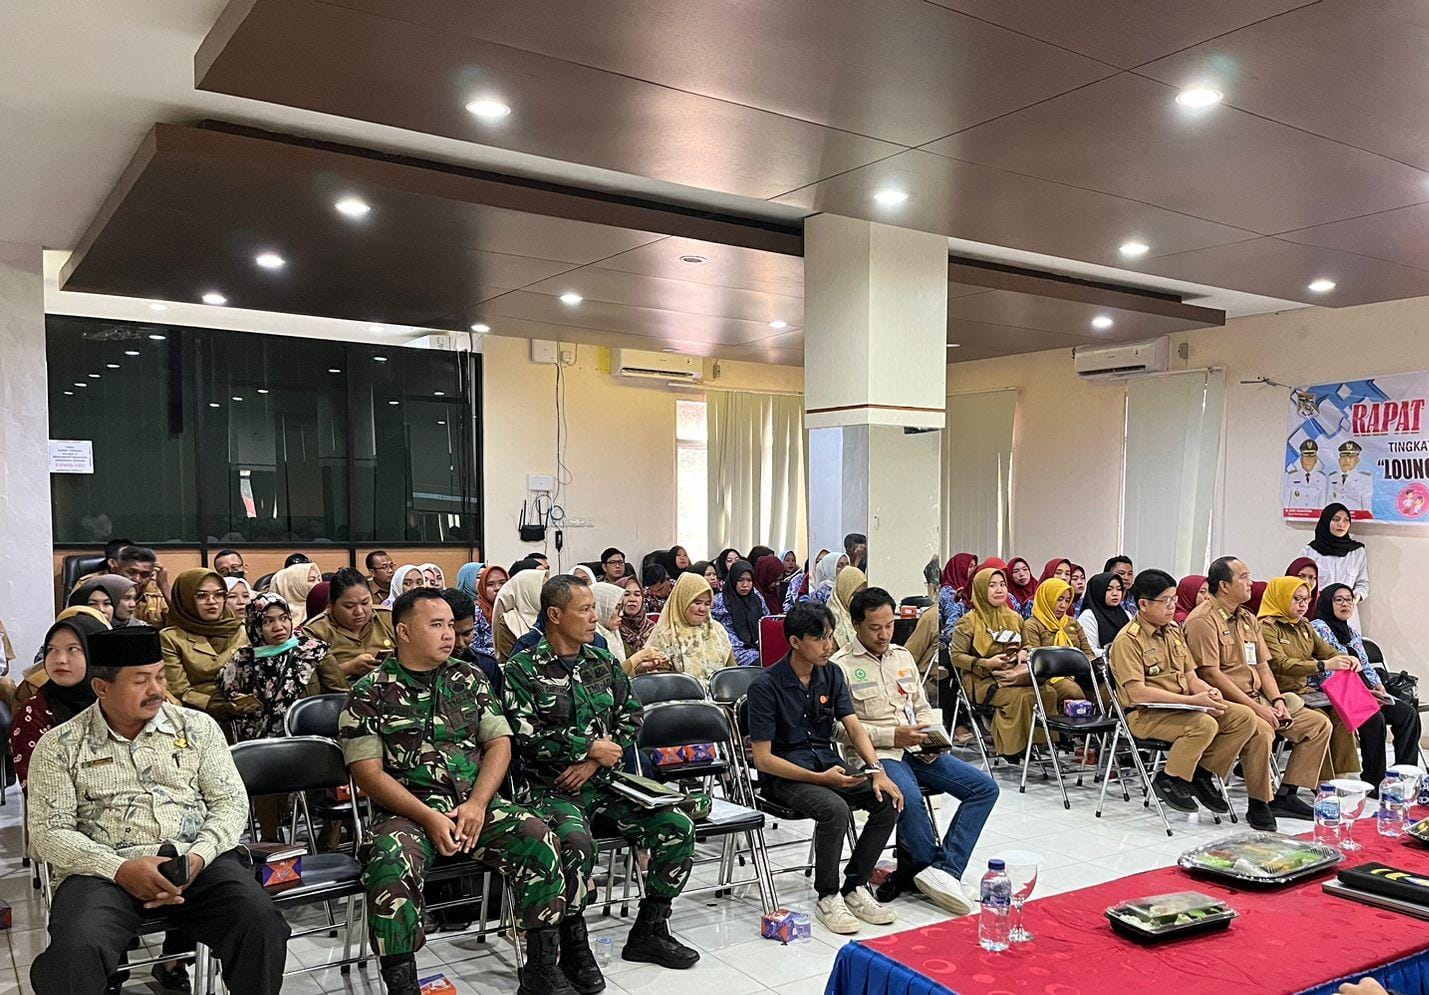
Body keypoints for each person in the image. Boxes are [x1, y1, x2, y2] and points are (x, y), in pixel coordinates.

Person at [339, 589, 578, 995]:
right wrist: (429, 818)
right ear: (403, 632)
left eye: (451, 625)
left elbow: (499, 744)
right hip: (408, 813)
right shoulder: (369, 692)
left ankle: (541, 970)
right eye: (437, 625)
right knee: (389, 862)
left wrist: (478, 803)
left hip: (473, 806)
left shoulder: (469, 677)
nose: (449, 634)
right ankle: (403, 984)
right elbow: (368, 773)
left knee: (538, 836)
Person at [27, 627, 290, 995]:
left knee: (261, 924)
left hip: (195, 859)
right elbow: (49, 831)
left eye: (160, 676)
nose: (156, 690)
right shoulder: (61, 745)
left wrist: (199, 855)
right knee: (74, 952)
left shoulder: (197, 728)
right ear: (102, 687)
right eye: (141, 680)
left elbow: (230, 802)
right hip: (102, 871)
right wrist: (120, 869)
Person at [504, 576, 701, 974]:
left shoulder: (603, 662)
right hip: (549, 788)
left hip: (605, 782)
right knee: (575, 842)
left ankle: (651, 929)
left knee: (677, 825)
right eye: (584, 609)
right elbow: (523, 736)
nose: (595, 617)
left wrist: (593, 761)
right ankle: (574, 945)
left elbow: (631, 718)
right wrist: (589, 747)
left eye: (594, 607)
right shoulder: (522, 669)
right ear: (555, 615)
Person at [833, 588, 997, 916]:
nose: (884, 635)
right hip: (876, 754)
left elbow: (920, 706)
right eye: (875, 628)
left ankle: (945, 870)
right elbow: (837, 728)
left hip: (917, 748)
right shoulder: (840, 666)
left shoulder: (902, 656)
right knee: (905, 795)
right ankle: (932, 869)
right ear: (856, 625)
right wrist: (892, 735)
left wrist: (929, 737)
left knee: (984, 788)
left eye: (889, 626)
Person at [747, 603, 902, 934]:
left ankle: (855, 886)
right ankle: (828, 896)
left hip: (828, 765)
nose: (828, 646)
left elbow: (853, 726)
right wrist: (818, 778)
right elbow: (763, 759)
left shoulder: (831, 674)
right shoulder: (765, 686)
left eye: (830, 636)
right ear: (795, 641)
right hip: (785, 775)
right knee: (835, 809)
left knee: (887, 799)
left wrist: (877, 770)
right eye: (819, 639)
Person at [1108, 569, 1275, 829]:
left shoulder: (1174, 631)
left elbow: (1190, 675)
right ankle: (1170, 778)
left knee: (1243, 717)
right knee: (1204, 724)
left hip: (1184, 707)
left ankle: (1202, 773)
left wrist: (1207, 692)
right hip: (1146, 714)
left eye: (1174, 599)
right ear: (1143, 604)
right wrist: (1195, 701)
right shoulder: (1128, 640)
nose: (1172, 606)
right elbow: (1137, 693)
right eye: (1165, 601)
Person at [1184, 557, 1332, 821]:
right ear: (1224, 585)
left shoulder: (1247, 618)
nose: (1250, 582)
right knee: (1262, 729)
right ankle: (1259, 802)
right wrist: (1257, 709)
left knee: (1318, 724)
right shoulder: (1202, 620)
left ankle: (1287, 794)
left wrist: (1277, 701)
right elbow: (1210, 674)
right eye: (1243, 577)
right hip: (1224, 702)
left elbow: (1263, 667)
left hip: (1258, 697)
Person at [1254, 576, 1372, 783]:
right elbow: (1280, 664)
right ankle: (1322, 782)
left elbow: (1326, 651)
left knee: (1341, 714)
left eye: (1306, 599)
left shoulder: (1304, 626)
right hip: (1280, 694)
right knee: (1320, 719)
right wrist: (1322, 665)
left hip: (1306, 692)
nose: (1302, 605)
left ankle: (1341, 778)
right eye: (1296, 599)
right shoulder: (1266, 628)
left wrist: (1346, 658)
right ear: (1281, 597)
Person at [1312, 582, 1422, 786]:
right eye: (1339, 600)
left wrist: (1378, 686)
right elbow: (1326, 673)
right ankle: (1374, 780)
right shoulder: (1318, 628)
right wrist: (1362, 693)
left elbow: (1365, 665)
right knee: (1374, 718)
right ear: (1327, 602)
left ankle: (1405, 777)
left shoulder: (1352, 632)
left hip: (1364, 691)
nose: (1345, 604)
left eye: (1349, 599)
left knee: (1407, 714)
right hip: (1337, 693)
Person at [949, 567, 1056, 759]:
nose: (999, 590)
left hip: (1014, 675)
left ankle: (1036, 744)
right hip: (983, 680)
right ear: (980, 589)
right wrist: (985, 663)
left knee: (1047, 692)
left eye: (1002, 584)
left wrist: (1023, 652)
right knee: (1019, 697)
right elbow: (956, 656)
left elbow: (1028, 644)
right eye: (992, 586)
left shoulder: (1014, 617)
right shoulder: (969, 622)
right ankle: (1012, 749)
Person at [220, 592, 340, 740]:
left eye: (283, 618)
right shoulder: (242, 659)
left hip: (308, 737)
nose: (278, 627)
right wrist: (235, 707)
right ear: (255, 626)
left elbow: (340, 699)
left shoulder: (314, 652)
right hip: (255, 743)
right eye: (267, 621)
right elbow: (223, 703)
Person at [9, 613, 109, 788]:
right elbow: (41, 790)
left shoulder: (117, 704)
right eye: (51, 650)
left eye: (73, 649)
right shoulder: (34, 714)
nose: (60, 660)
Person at [160, 568, 250, 719]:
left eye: (219, 595)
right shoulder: (171, 637)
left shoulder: (241, 629)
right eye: (202, 596)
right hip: (196, 713)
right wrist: (216, 706)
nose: (212, 602)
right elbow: (180, 691)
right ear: (186, 599)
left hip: (243, 708)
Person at [301, 567, 396, 684]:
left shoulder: (387, 618)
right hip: (340, 693)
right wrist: (348, 668)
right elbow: (307, 682)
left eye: (365, 603)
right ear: (331, 604)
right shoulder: (314, 631)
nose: (359, 612)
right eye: (349, 606)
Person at [646, 572, 736, 680]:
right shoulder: (664, 635)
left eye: (707, 604)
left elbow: (732, 673)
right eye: (697, 603)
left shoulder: (717, 630)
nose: (702, 609)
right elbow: (661, 681)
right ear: (683, 601)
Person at [1020, 578, 1094, 707]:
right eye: (1059, 599)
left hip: (1079, 675)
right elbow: (1035, 661)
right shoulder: (1032, 625)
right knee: (1072, 691)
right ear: (1047, 598)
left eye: (1067, 600)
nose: (1063, 606)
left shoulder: (1072, 623)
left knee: (1105, 689)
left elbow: (1088, 653)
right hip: (1050, 678)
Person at [1300, 503, 1370, 627]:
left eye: (1346, 520)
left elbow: (1362, 583)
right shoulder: (1310, 551)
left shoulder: (1357, 551)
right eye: (1336, 519)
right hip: (1319, 612)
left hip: (1347, 614)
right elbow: (1299, 583)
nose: (1341, 524)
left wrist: (1353, 599)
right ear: (1326, 521)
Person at [711, 560, 770, 667]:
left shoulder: (756, 598)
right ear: (733, 579)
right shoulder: (720, 601)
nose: (745, 585)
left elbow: (767, 621)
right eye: (740, 580)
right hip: (733, 651)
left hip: (758, 647)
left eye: (749, 580)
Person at [492, 567, 546, 662]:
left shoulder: (553, 616)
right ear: (527, 591)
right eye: (543, 588)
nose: (549, 594)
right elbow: (508, 663)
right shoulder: (508, 622)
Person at [1077, 572, 1133, 659]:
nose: (1115, 593)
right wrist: (1118, 653)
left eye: (1119, 589)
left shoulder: (1126, 614)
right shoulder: (1088, 616)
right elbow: (1090, 651)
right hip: (1102, 664)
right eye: (1109, 589)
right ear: (1099, 591)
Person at [113, 545, 171, 627]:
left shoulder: (158, 597)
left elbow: (183, 623)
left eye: (144, 574)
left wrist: (164, 587)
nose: (137, 579)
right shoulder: (102, 593)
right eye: (131, 572)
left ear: (151, 575)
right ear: (116, 570)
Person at [937, 553, 978, 648]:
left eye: (974, 567)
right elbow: (952, 620)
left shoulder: (968, 588)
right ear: (959, 568)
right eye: (970, 566)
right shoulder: (947, 592)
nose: (973, 570)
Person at [469, 563, 508, 658]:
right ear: (482, 588)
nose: (498, 588)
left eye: (502, 583)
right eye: (490, 584)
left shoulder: (515, 610)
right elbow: (472, 647)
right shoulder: (477, 613)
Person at [270, 561, 322, 627]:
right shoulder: (274, 614)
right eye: (311, 580)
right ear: (292, 586)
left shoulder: (321, 606)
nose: (318, 583)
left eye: (319, 579)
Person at [1327, 440, 1373, 513]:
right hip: (1336, 517)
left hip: (1356, 518)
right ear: (1339, 460)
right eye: (1343, 457)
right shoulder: (1332, 477)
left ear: (1357, 460)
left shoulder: (1364, 478)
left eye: (1351, 457)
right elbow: (1329, 502)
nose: (1347, 460)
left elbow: (1367, 506)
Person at [829, 566, 868, 651]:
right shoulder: (830, 623)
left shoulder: (866, 616)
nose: (860, 598)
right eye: (854, 594)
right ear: (843, 592)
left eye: (863, 593)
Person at [1283, 439, 1328, 511]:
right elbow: (1285, 504)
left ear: (1316, 459)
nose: (1308, 460)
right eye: (1306, 456)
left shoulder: (1322, 478)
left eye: (1311, 457)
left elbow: (1322, 504)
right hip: (1295, 516)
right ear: (1301, 459)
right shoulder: (1291, 477)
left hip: (1314, 517)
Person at [618, 577, 656, 655]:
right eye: (626, 594)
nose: (632, 599)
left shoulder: (652, 629)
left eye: (637, 594)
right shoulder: (614, 629)